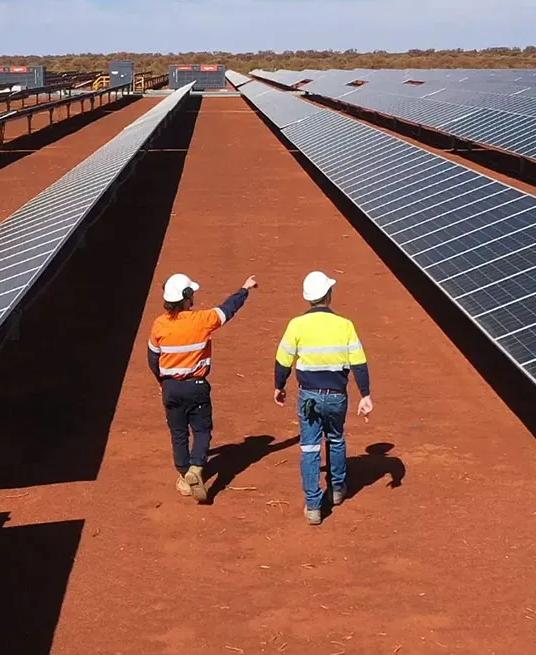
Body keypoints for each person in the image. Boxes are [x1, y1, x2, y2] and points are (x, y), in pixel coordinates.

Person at [274, 271, 373, 525]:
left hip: (309, 397)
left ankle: (313, 506)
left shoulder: (296, 325)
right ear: (328, 295)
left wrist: (279, 386)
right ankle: (338, 490)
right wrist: (365, 394)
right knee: (336, 440)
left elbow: (283, 360)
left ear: (308, 299)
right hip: (337, 396)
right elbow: (359, 364)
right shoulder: (345, 325)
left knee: (309, 448)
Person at [148, 273, 257, 502]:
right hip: (196, 386)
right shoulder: (202, 320)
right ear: (187, 297)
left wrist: (163, 382)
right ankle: (196, 468)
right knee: (202, 430)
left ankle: (183, 475)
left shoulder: (159, 325)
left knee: (178, 433)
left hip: (171, 388)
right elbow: (228, 309)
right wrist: (244, 289)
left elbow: (152, 358)